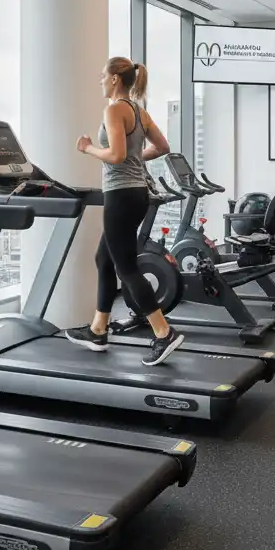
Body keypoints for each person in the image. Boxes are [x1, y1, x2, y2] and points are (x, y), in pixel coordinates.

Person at [65, 57, 185, 367]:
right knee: (103, 259)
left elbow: (116, 155)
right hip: (137, 194)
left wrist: (87, 148)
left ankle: (163, 332)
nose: (100, 81)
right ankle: (98, 329)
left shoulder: (114, 109)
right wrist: (135, 159)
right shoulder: (139, 111)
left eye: (103, 76)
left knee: (126, 268)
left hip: (120, 196)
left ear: (116, 79)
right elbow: (162, 146)